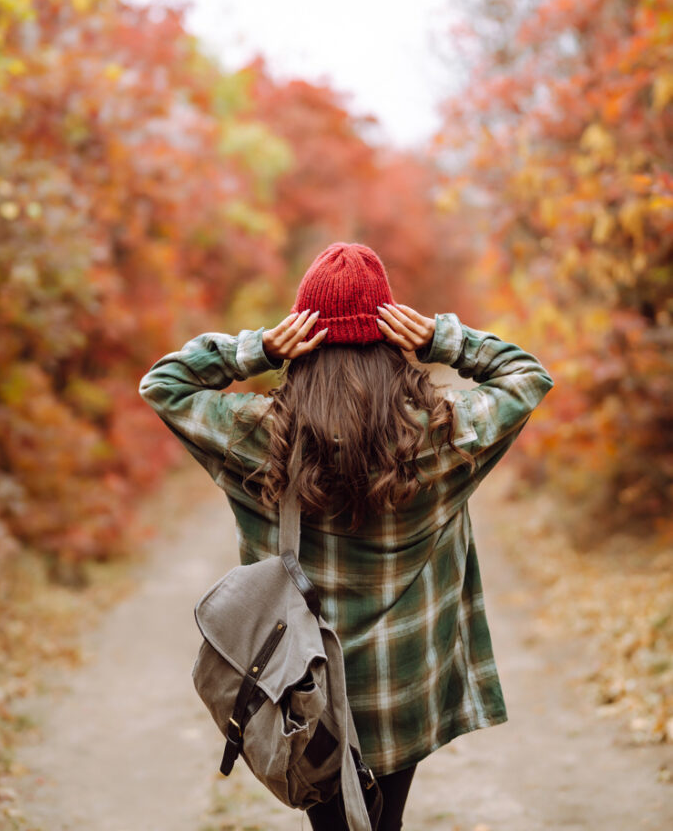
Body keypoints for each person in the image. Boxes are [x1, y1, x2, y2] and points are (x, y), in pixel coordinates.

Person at [138, 241, 554, 831]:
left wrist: (256, 348)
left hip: (304, 701)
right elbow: (527, 376)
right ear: (392, 337)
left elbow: (164, 384)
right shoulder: (440, 435)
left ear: (302, 338)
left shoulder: (259, 435)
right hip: (402, 691)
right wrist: (442, 339)